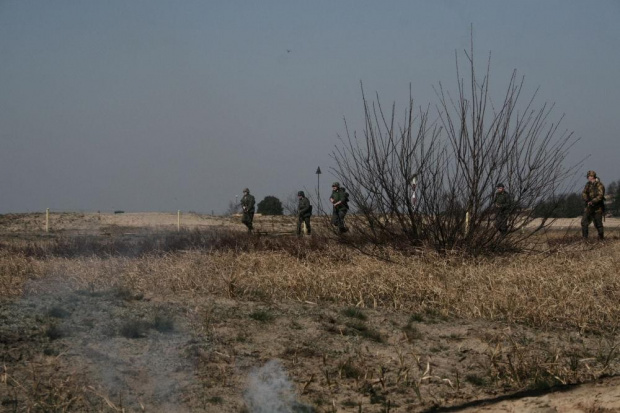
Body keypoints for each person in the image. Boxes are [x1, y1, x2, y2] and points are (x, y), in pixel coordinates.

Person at [581, 170, 605, 240]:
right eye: (588, 176)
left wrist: (593, 201)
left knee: (598, 224)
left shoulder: (599, 185)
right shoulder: (587, 184)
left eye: (589, 176)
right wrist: (587, 200)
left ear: (593, 176)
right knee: (584, 222)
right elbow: (584, 193)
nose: (588, 178)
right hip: (589, 207)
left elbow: (600, 195)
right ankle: (585, 239)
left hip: (598, 207)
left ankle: (601, 239)